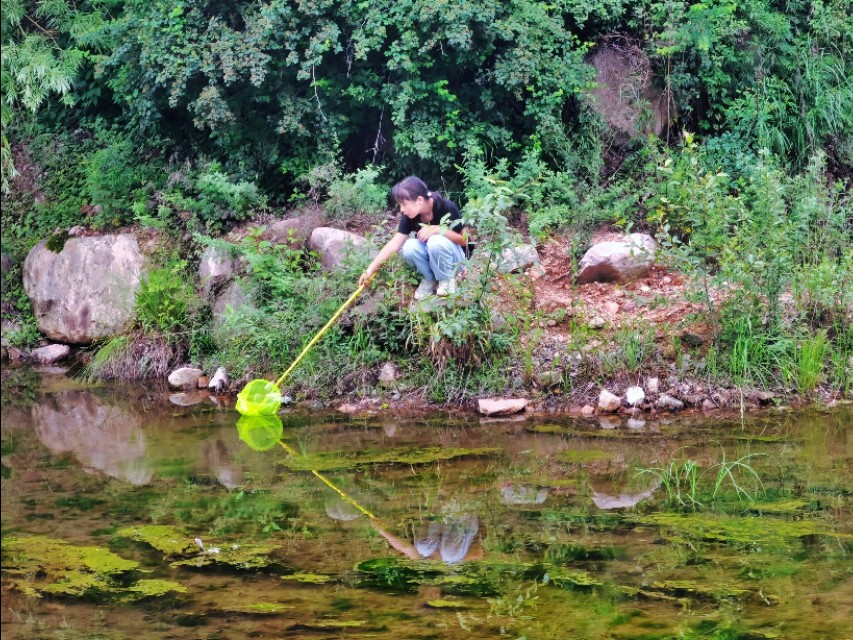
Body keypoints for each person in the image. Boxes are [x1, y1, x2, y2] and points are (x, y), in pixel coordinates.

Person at [358, 176, 470, 300]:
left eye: (404, 204)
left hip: (455, 261)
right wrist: (369, 271)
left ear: (419, 200)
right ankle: (429, 280)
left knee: (435, 240)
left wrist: (438, 230)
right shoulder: (411, 217)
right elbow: (394, 244)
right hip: (434, 260)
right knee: (409, 247)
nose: (402, 210)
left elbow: (464, 240)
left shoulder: (446, 207)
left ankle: (447, 280)